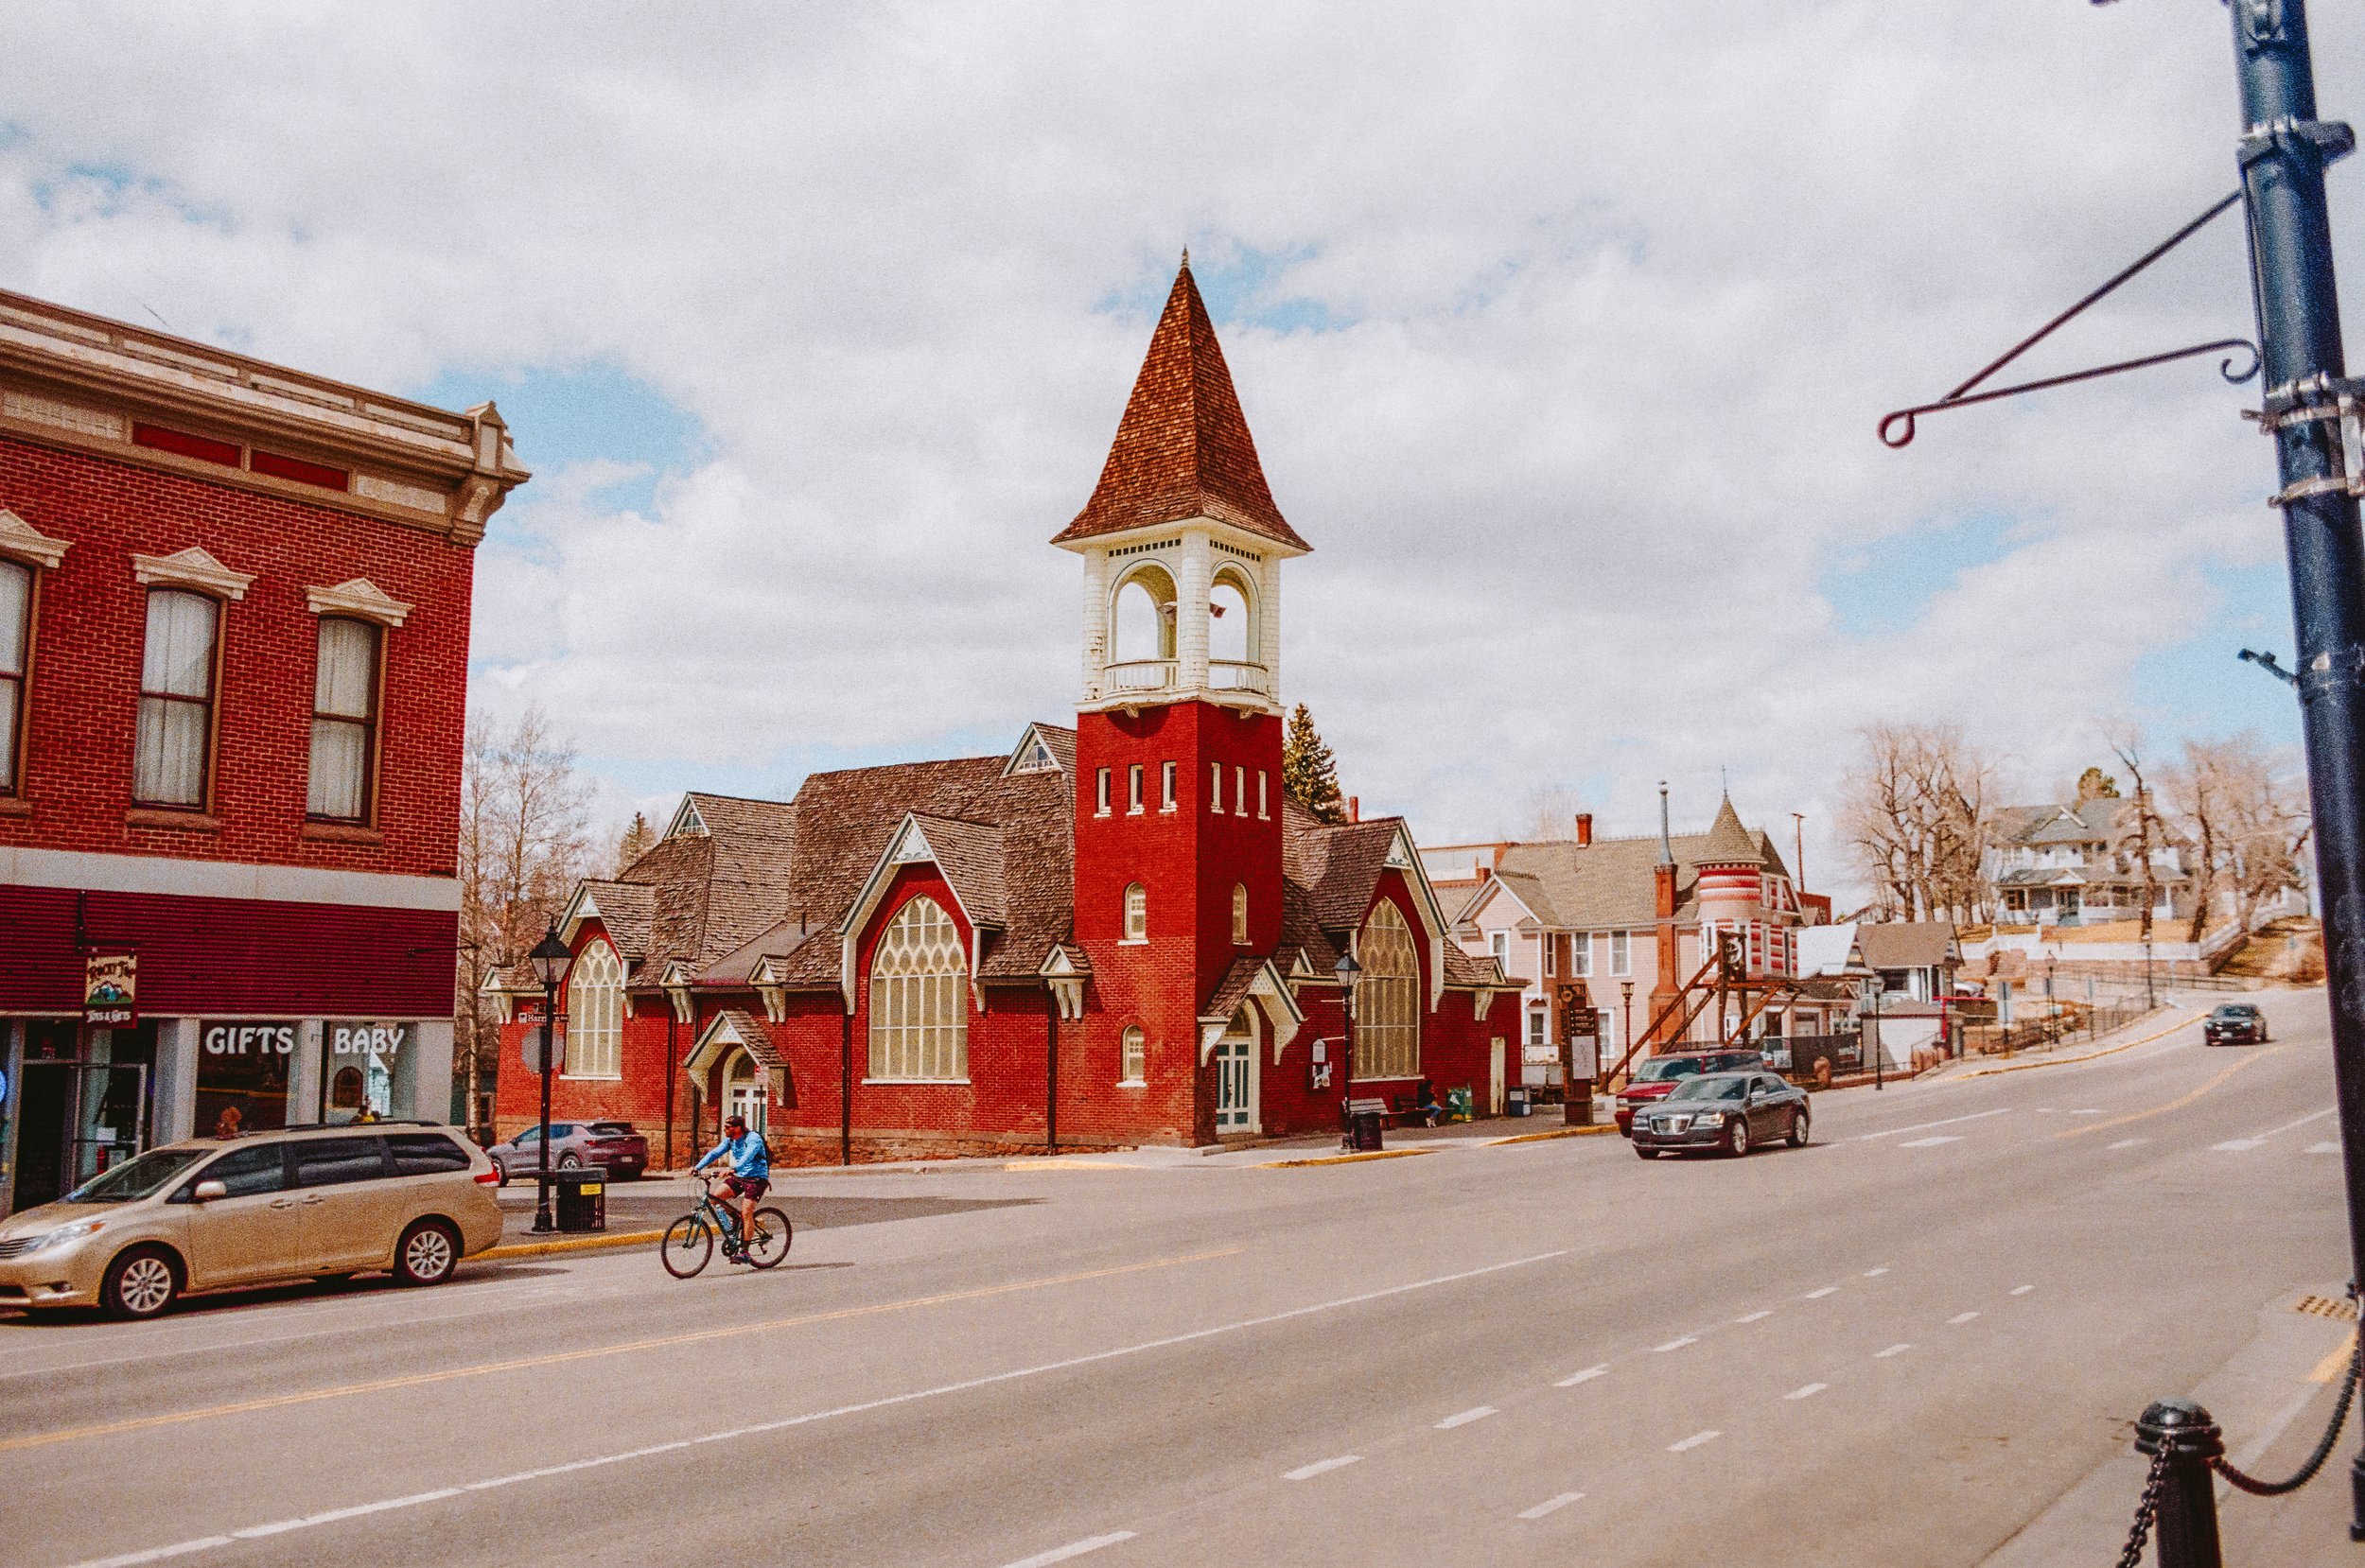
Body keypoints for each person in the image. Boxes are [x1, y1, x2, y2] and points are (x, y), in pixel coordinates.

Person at [691, 1115, 770, 1263]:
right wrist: (697, 1167)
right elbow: (715, 1153)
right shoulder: (730, 1140)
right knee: (715, 1198)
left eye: (728, 1127)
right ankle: (736, 1218)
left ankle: (745, 1253)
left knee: (747, 1211)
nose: (724, 1129)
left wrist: (733, 1169)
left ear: (738, 1128)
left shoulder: (753, 1138)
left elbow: (748, 1155)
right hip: (740, 1176)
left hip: (757, 1178)